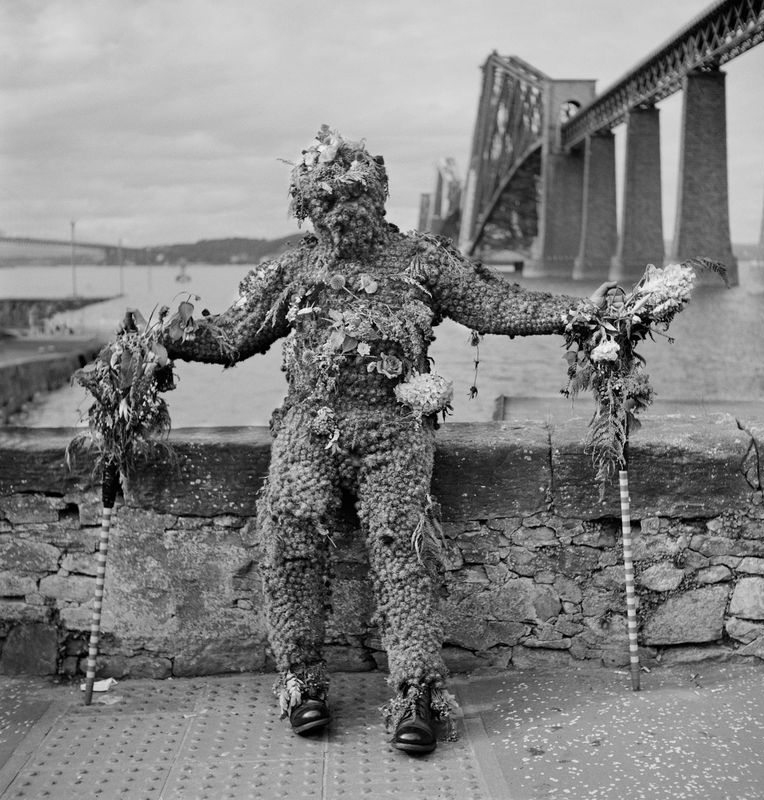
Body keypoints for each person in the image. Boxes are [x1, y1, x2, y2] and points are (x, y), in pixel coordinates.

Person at [160, 126, 618, 754]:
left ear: (376, 196)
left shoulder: (420, 259)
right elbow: (232, 336)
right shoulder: (291, 269)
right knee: (291, 531)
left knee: (401, 548)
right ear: (306, 208)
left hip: (394, 430)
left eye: (348, 198)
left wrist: (577, 313)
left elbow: (493, 304)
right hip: (309, 426)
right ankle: (302, 681)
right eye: (322, 203)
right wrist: (167, 337)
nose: (337, 213)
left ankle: (416, 695)